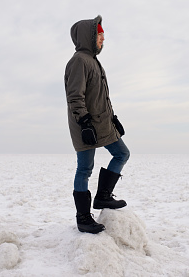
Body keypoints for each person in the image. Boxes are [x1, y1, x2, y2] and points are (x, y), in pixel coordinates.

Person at [64, 15, 130, 234]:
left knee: (122, 153)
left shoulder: (93, 61)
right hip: (86, 126)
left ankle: (102, 197)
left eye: (103, 36)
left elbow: (100, 97)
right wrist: (83, 123)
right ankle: (83, 217)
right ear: (90, 37)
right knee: (84, 169)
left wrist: (113, 119)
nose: (103, 40)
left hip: (102, 123)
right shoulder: (79, 61)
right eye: (100, 35)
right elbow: (75, 96)